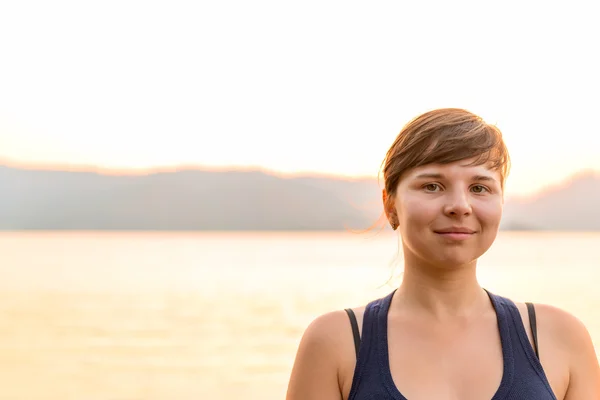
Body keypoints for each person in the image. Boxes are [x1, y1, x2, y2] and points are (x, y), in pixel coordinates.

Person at [285, 108, 600, 400]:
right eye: (432, 186)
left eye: (479, 187)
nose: (460, 206)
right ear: (390, 205)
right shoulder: (335, 343)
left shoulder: (560, 337)